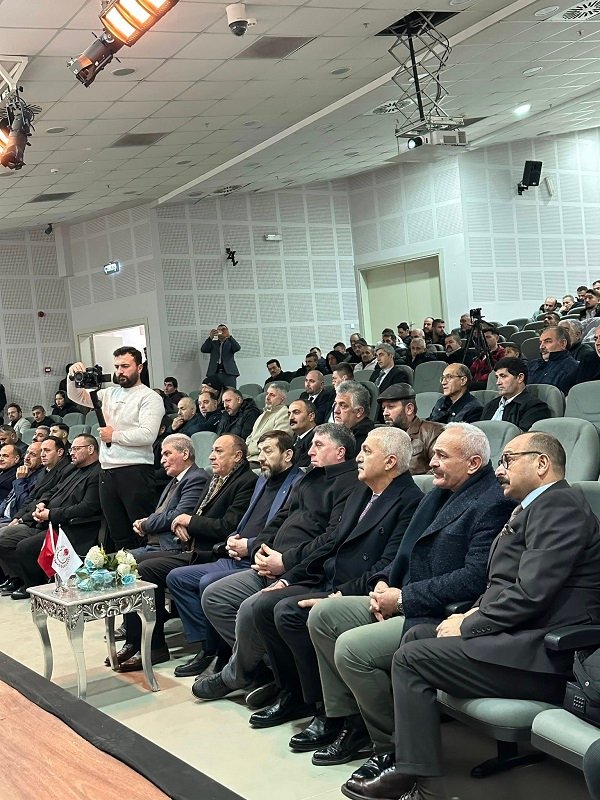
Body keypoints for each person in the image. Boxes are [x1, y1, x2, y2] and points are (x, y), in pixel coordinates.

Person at [347, 432, 600, 800]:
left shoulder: (560, 507)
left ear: (542, 464)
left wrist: (469, 623)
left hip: (545, 656)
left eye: (509, 459)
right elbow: (504, 584)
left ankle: (422, 784)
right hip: (518, 636)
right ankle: (406, 755)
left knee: (411, 659)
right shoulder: (532, 507)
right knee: (417, 635)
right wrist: (472, 613)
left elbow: (531, 593)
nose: (499, 469)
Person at [307, 423, 514, 777]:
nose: (431, 462)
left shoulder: (492, 502)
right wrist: (383, 582)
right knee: (323, 615)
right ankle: (350, 721)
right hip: (402, 595)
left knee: (351, 650)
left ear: (473, 463)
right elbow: (406, 554)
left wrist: (403, 599)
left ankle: (390, 745)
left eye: (442, 456)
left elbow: (474, 578)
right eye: (433, 454)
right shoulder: (438, 493)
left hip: (437, 613)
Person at [246, 428, 423, 733]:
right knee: (264, 605)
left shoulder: (409, 500)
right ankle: (294, 693)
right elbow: (331, 543)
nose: (358, 457)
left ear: (390, 462)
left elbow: (388, 564)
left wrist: (339, 594)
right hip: (328, 576)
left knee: (288, 613)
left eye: (367, 451)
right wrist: (289, 578)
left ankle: (327, 709)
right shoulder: (363, 491)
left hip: (358, 588)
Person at [195, 424, 359, 703]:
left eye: (318, 445)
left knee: (251, 609)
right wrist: (259, 548)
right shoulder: (309, 478)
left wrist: (284, 563)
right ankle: (265, 670)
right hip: (270, 562)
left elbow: (331, 539)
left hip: (301, 570)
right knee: (215, 596)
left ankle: (236, 675)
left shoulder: (349, 484)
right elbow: (281, 517)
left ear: (340, 452)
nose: (310, 451)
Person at [165, 431, 303, 678]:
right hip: (235, 554)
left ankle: (233, 656)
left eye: (268, 451)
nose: (261, 457)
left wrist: (249, 545)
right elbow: (243, 521)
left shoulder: (297, 483)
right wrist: (233, 539)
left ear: (288, 455)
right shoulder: (262, 480)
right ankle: (210, 648)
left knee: (208, 583)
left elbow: (282, 529)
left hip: (259, 559)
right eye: (260, 451)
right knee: (177, 577)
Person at [114, 434, 257, 672]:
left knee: (144, 568)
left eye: (219, 451)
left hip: (210, 551)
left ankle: (176, 646)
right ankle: (138, 641)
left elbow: (226, 526)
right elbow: (194, 514)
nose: (211, 456)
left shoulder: (246, 481)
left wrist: (188, 521)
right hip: (192, 546)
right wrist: (186, 522)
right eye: (212, 451)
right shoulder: (216, 479)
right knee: (132, 565)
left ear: (238, 456)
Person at [67, 347, 165, 550]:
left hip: (135, 470)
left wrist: (114, 436)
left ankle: (148, 566)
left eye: (125, 366)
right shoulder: (109, 393)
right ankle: (124, 566)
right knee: (118, 532)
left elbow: (148, 434)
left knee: (142, 531)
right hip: (107, 471)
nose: (120, 371)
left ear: (139, 367)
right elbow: (78, 397)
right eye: (117, 366)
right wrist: (71, 377)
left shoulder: (149, 397)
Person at [0, 434, 101, 599]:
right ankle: (24, 580)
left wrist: (51, 514)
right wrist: (43, 503)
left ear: (90, 449)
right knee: (11, 541)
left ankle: (34, 587)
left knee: (25, 547)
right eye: (72, 449)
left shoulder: (97, 473)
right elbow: (53, 490)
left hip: (71, 527)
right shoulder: (74, 469)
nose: (71, 452)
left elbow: (88, 507)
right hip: (49, 521)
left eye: (76, 449)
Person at [128, 434, 208, 560]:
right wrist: (146, 520)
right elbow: (164, 514)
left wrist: (145, 524)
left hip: (171, 547)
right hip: (153, 546)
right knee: (108, 561)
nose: (162, 461)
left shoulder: (197, 478)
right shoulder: (174, 481)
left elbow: (178, 515)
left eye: (167, 454)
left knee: (119, 564)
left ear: (185, 454)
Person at [377, 385, 443, 475]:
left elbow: (439, 468)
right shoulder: (383, 436)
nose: (385, 413)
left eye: (391, 407)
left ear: (409, 409)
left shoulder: (433, 432)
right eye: (383, 408)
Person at [479, 358, 550, 431]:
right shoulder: (490, 405)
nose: (498, 382)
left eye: (503, 376)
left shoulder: (535, 407)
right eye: (497, 377)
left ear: (520, 378)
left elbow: (525, 436)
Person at [245, 383, 292, 463]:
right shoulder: (262, 415)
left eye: (272, 395)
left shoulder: (284, 413)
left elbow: (280, 440)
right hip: (250, 458)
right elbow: (250, 438)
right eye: (267, 394)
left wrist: (255, 450)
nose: (267, 397)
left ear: (282, 400)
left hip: (264, 459)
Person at [528, 326, 579, 395]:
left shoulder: (572, 368)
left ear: (563, 343)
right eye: (540, 343)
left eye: (547, 341)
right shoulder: (531, 365)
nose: (541, 347)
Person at [333, 382, 374, 452]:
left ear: (359, 412)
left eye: (343, 406)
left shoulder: (365, 438)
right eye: (335, 404)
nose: (336, 411)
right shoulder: (343, 432)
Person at [200, 324, 240, 389]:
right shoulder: (213, 343)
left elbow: (237, 348)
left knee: (230, 391)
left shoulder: (230, 343)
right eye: (219, 330)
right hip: (214, 372)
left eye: (223, 330)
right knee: (214, 391)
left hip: (229, 373)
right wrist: (210, 337)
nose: (221, 331)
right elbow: (203, 349)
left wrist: (229, 336)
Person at [288, 399, 317, 468]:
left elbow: (301, 467)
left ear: (311, 416)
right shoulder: (293, 438)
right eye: (289, 414)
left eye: (296, 412)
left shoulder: (316, 438)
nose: (291, 418)